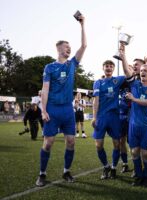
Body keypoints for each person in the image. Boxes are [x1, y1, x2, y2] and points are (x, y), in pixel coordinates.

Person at [35, 14, 87, 187]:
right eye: (66, 47)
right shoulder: (49, 67)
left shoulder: (72, 64)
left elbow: (84, 45)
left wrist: (82, 24)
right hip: (52, 109)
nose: (69, 50)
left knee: (71, 141)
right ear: (58, 49)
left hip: (67, 110)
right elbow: (45, 89)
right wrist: (43, 110)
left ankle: (66, 171)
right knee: (48, 143)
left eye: (70, 47)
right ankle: (42, 174)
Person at [120, 44, 147, 187]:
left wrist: (134, 99)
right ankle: (138, 175)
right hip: (133, 125)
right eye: (141, 70)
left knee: (145, 154)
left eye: (145, 70)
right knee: (134, 152)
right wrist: (123, 55)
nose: (142, 72)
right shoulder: (134, 84)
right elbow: (126, 70)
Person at [92, 60, 125, 179]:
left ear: (113, 68)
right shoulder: (98, 82)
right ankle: (106, 166)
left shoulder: (118, 80)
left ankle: (114, 168)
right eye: (106, 66)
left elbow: (129, 73)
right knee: (98, 145)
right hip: (101, 117)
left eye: (111, 66)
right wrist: (94, 117)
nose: (109, 68)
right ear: (103, 68)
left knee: (117, 144)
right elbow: (95, 100)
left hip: (114, 117)